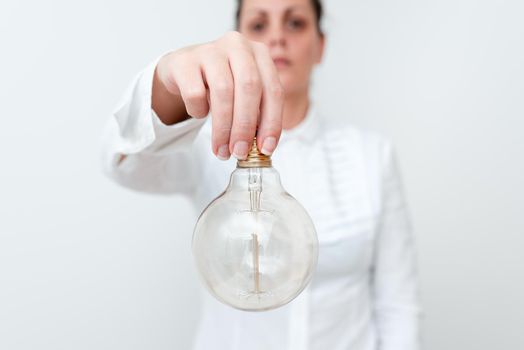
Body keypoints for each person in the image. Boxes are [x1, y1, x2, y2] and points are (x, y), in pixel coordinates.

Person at [100, 0, 422, 349]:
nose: (277, 38)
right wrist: (168, 79)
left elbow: (398, 306)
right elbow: (122, 163)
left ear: (321, 45)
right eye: (258, 25)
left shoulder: (371, 155)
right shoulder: (205, 144)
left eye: (295, 23)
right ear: (238, 42)